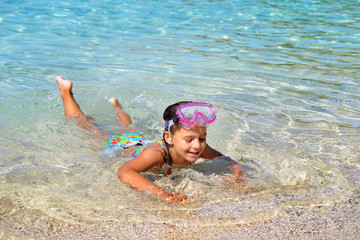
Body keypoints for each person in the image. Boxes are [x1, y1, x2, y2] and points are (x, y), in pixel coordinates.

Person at [56, 76, 244, 204]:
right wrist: (163, 194)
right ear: (169, 138)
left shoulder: (198, 147)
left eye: (202, 138)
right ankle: (66, 91)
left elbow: (226, 161)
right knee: (91, 129)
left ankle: (117, 106)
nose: (197, 145)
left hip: (139, 139)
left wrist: (237, 176)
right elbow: (125, 171)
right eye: (189, 139)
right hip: (124, 146)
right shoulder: (157, 153)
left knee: (131, 128)